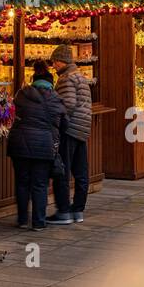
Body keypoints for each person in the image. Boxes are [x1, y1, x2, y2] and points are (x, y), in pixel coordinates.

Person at [7, 64, 65, 230]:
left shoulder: (21, 94)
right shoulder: (55, 98)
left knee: (22, 182)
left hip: (19, 144)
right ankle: (39, 222)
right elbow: (63, 123)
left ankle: (23, 220)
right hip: (43, 146)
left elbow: (12, 113)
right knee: (40, 184)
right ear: (51, 83)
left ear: (34, 81)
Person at [47, 44, 93, 224]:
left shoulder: (66, 78)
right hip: (82, 127)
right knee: (81, 171)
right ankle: (78, 209)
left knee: (63, 170)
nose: (53, 66)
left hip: (70, 129)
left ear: (60, 61)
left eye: (54, 62)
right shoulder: (80, 76)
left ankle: (64, 211)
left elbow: (68, 104)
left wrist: (57, 118)